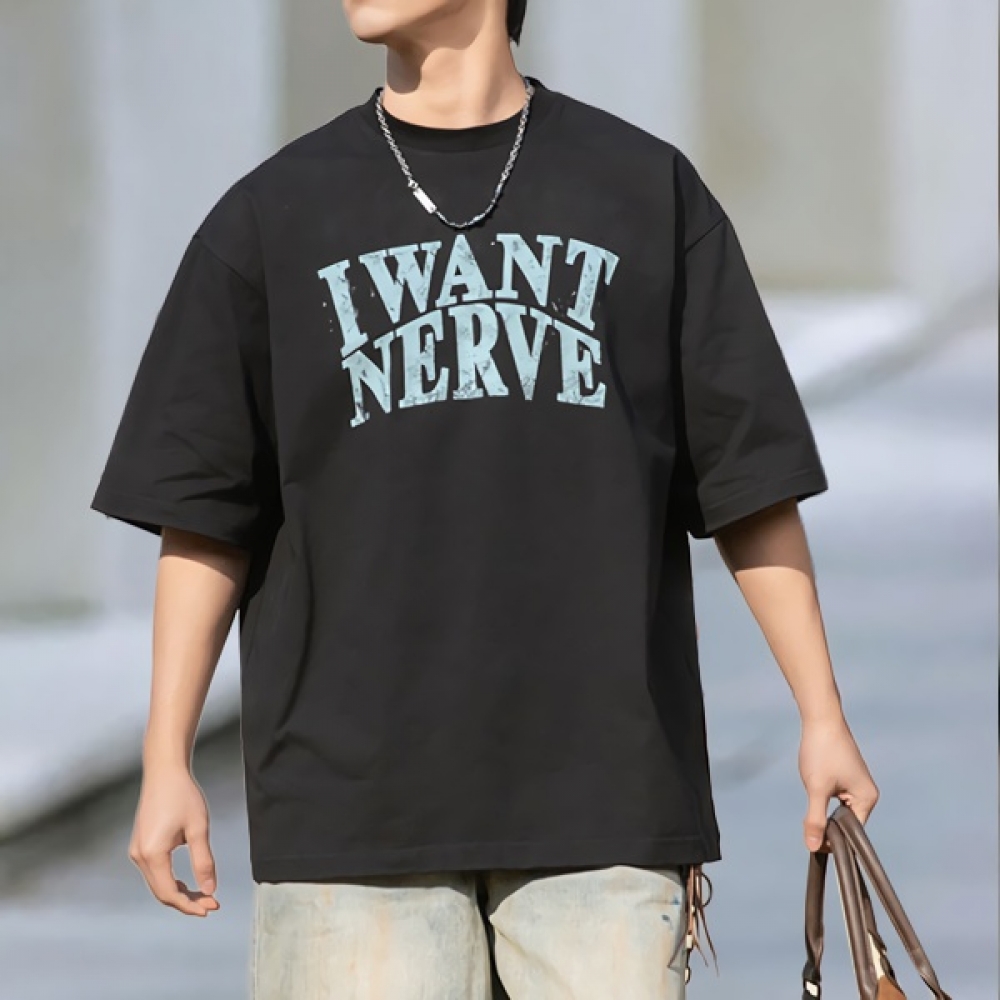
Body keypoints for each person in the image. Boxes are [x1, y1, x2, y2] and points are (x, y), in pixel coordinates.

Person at [89, 0, 880, 996]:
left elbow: (748, 484)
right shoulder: (271, 218)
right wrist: (166, 756)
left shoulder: (644, 193)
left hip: (603, 798)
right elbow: (205, 514)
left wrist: (821, 715)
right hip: (351, 810)